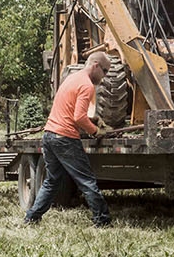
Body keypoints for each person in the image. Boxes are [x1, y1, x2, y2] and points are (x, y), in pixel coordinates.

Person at [23, 51, 113, 227]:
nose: (105, 76)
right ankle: (102, 220)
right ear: (95, 65)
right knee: (86, 180)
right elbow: (79, 117)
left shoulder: (72, 79)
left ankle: (31, 217)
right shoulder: (87, 85)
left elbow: (69, 109)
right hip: (64, 138)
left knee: (52, 180)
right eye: (105, 71)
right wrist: (95, 131)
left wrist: (92, 120)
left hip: (49, 135)